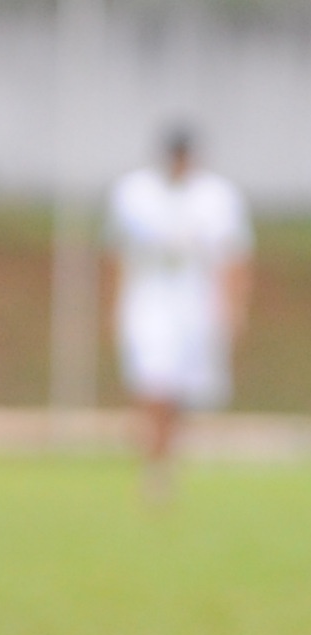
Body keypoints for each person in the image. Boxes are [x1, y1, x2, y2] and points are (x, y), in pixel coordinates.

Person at [105, 122, 252, 502]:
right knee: (153, 381)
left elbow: (233, 256)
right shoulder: (135, 193)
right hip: (148, 298)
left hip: (195, 301)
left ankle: (164, 458)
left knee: (181, 389)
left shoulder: (216, 196)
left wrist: (233, 308)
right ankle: (154, 466)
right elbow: (116, 252)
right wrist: (114, 303)